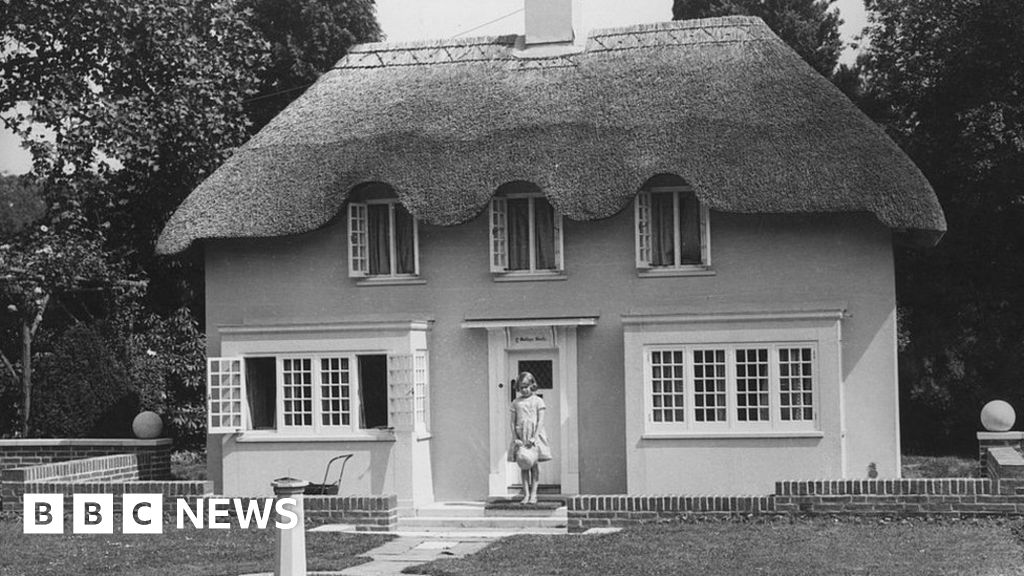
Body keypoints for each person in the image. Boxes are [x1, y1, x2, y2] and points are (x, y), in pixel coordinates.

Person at [508, 371, 551, 504]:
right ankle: (526, 494)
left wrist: (535, 437)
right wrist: (516, 437)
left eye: (526, 386)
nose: (524, 390)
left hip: (534, 436)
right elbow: (512, 422)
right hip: (521, 436)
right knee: (524, 464)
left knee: (534, 465)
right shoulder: (516, 402)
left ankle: (534, 494)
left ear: (532, 385)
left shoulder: (538, 401)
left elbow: (540, 421)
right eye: (521, 387)